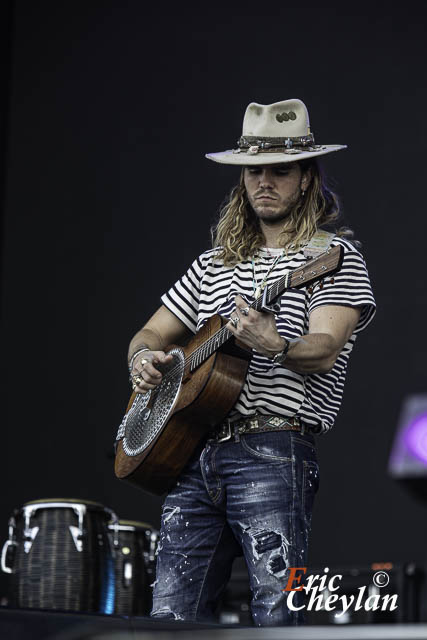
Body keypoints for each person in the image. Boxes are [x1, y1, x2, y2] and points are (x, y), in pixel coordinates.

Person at [126, 98, 376, 626]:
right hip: (190, 454)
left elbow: (326, 348)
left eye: (280, 171)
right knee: (170, 617)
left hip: (272, 447)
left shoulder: (333, 257)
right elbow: (149, 333)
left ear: (306, 178)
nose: (264, 181)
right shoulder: (213, 264)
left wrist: (275, 344)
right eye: (253, 171)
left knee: (276, 614)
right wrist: (144, 359)